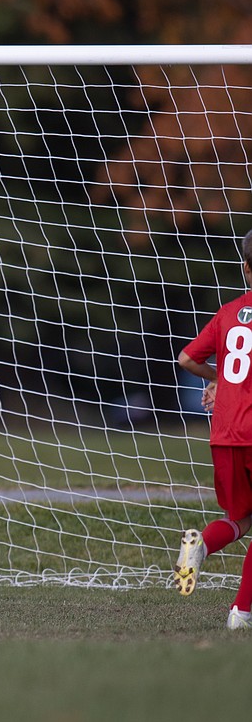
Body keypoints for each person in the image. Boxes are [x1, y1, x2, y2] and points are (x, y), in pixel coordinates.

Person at [175, 229, 252, 629]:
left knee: (240, 519)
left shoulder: (226, 313)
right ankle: (241, 613)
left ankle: (201, 544)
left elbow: (187, 357)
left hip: (224, 434)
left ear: (245, 267)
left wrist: (219, 379)